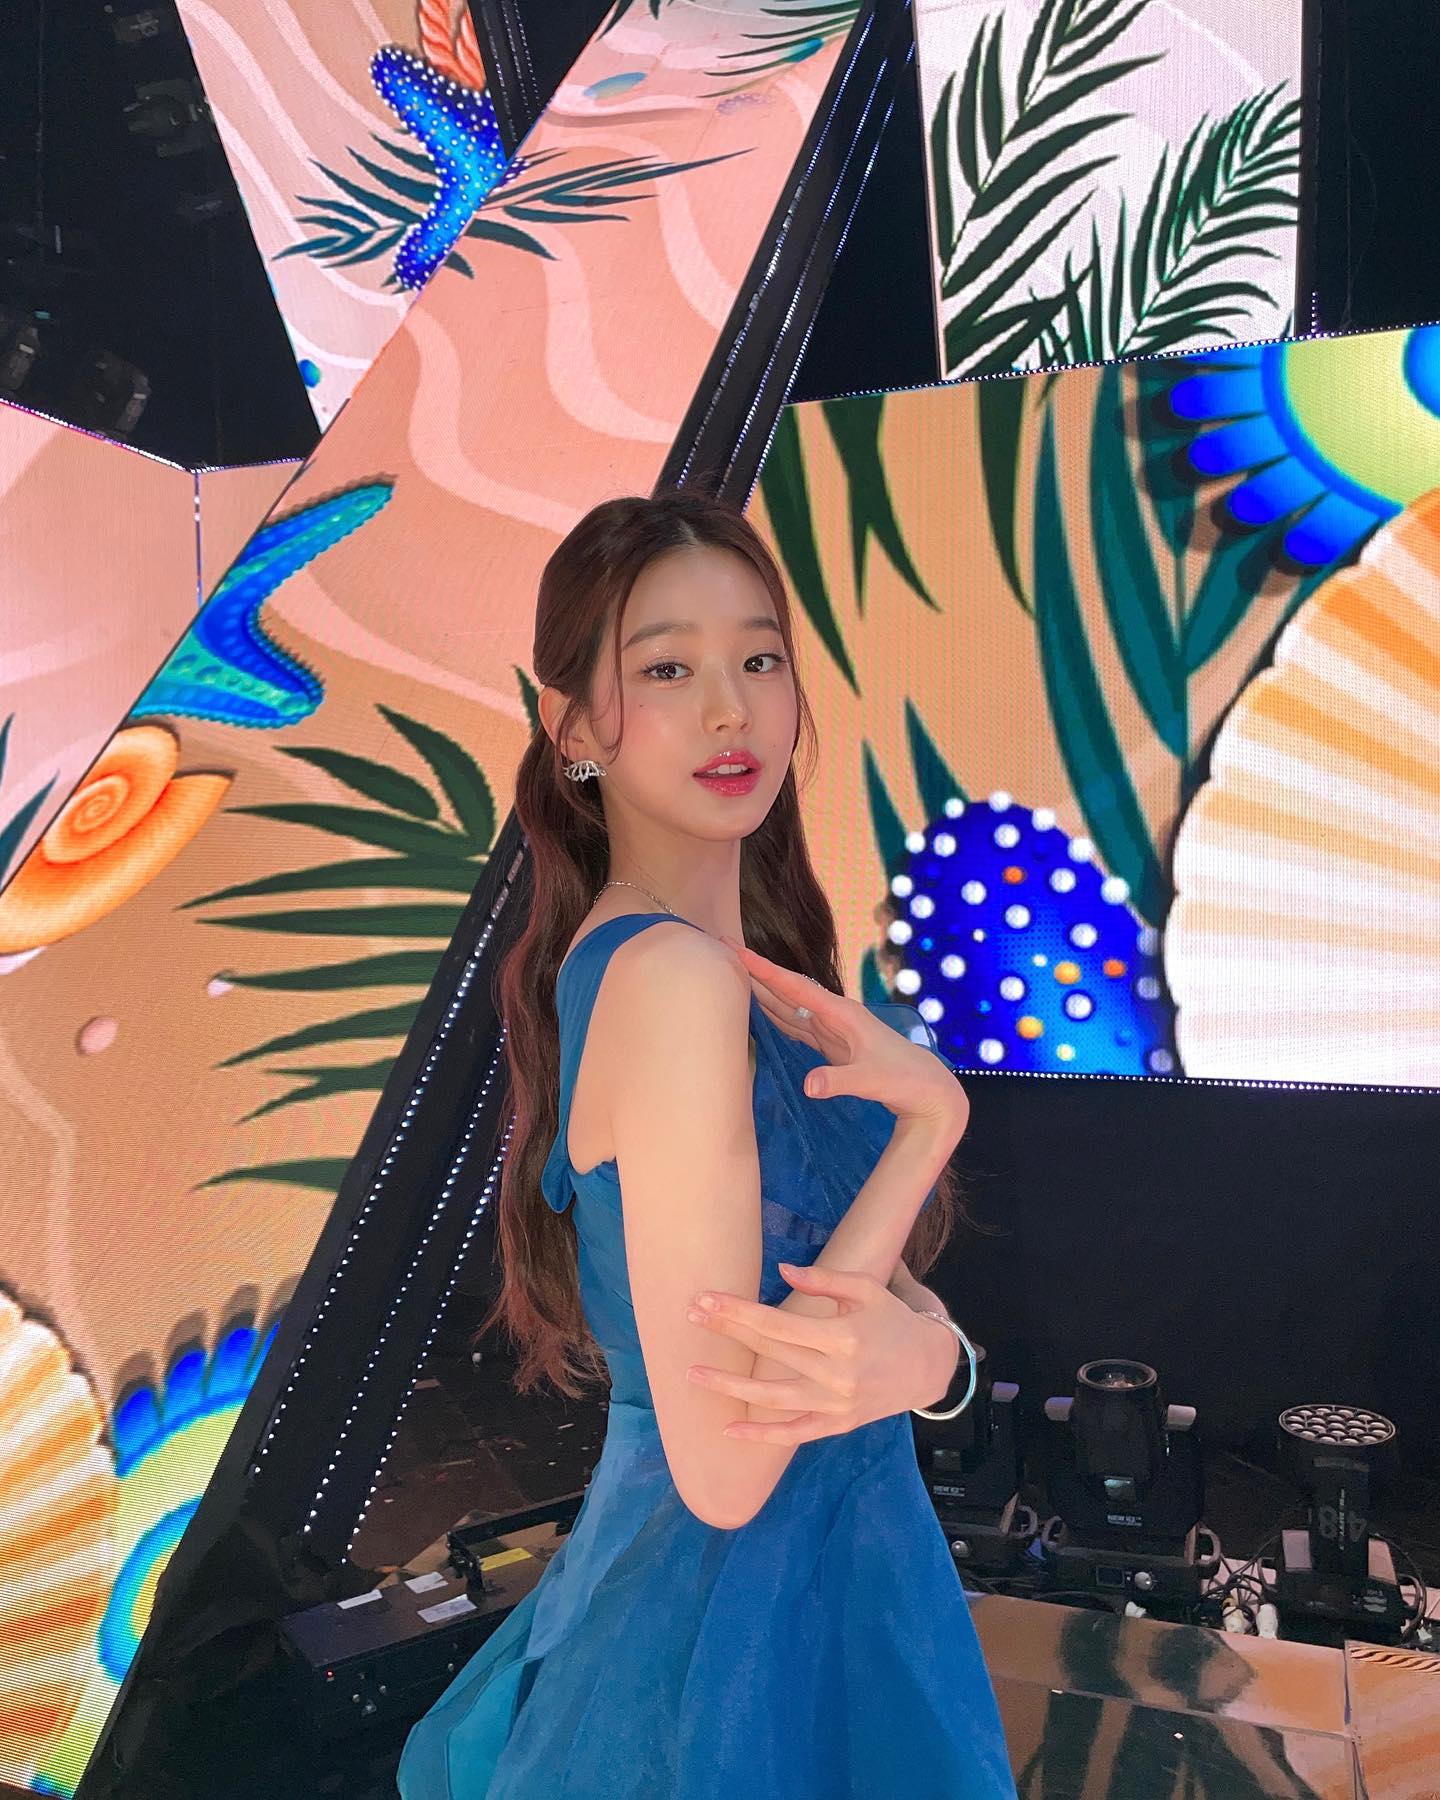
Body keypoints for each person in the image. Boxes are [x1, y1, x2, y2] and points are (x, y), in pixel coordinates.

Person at [396, 488, 1017, 1797]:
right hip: (721, 1654)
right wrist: (931, 1127)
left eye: (760, 660)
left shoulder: (750, 981)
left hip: (834, 1602)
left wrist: (934, 1361)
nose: (731, 710)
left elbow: (891, 1316)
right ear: (576, 728)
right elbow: (730, 1469)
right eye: (668, 669)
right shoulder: (670, 984)